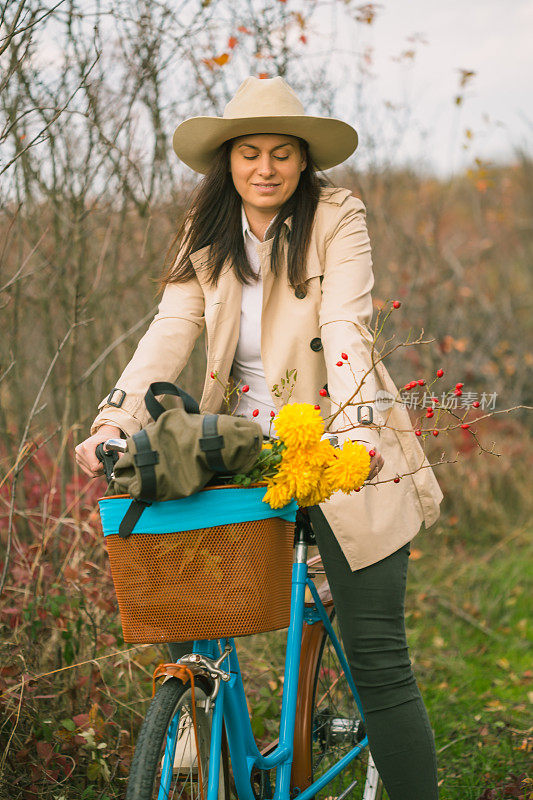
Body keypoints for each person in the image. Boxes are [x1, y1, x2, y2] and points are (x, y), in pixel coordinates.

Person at [75, 75, 444, 799]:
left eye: (281, 152)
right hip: (236, 442)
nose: (265, 168)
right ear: (229, 162)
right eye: (249, 153)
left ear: (303, 161)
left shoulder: (337, 217)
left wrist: (360, 431)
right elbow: (171, 329)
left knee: (377, 659)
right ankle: (193, 719)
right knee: (169, 560)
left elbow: (344, 327)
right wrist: (114, 418)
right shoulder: (205, 231)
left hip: (335, 431)